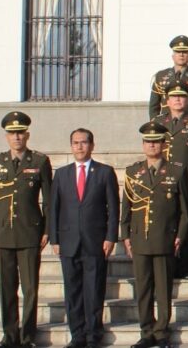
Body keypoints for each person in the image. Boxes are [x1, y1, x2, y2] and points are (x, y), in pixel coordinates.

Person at [0, 111, 52, 348]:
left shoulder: (39, 161)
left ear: (27, 135)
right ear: (6, 137)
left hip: (30, 232)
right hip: (2, 231)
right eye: (12, 133)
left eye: (21, 133)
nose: (17, 137)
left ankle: (28, 335)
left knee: (30, 288)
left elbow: (48, 200)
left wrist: (47, 229)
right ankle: (10, 335)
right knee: (7, 287)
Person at [121, 122, 188, 348]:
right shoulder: (133, 172)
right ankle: (146, 330)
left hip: (164, 238)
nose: (152, 145)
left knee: (163, 288)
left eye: (157, 141)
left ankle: (161, 331)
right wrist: (125, 236)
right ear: (143, 145)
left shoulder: (176, 171)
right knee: (143, 288)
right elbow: (127, 208)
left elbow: (184, 211)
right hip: (140, 238)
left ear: (164, 144)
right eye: (148, 142)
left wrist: (180, 235)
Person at [49, 128, 119, 348]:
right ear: (71, 146)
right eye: (75, 142)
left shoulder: (105, 172)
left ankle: (93, 335)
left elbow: (113, 208)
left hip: (95, 241)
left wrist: (110, 237)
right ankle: (77, 335)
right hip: (68, 242)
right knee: (73, 292)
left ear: (92, 145)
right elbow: (53, 208)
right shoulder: (62, 174)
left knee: (94, 290)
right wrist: (54, 239)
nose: (79, 146)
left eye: (84, 142)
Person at [152, 83, 188, 279]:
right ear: (167, 101)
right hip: (163, 181)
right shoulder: (158, 122)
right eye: (174, 96)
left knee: (186, 222)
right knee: (167, 221)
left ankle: (185, 267)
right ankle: (168, 265)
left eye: (182, 96)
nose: (177, 100)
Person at [149, 35, 188, 127]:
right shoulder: (161, 76)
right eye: (178, 52)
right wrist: (156, 126)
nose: (181, 55)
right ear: (173, 56)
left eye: (185, 52)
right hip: (166, 125)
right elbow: (153, 106)